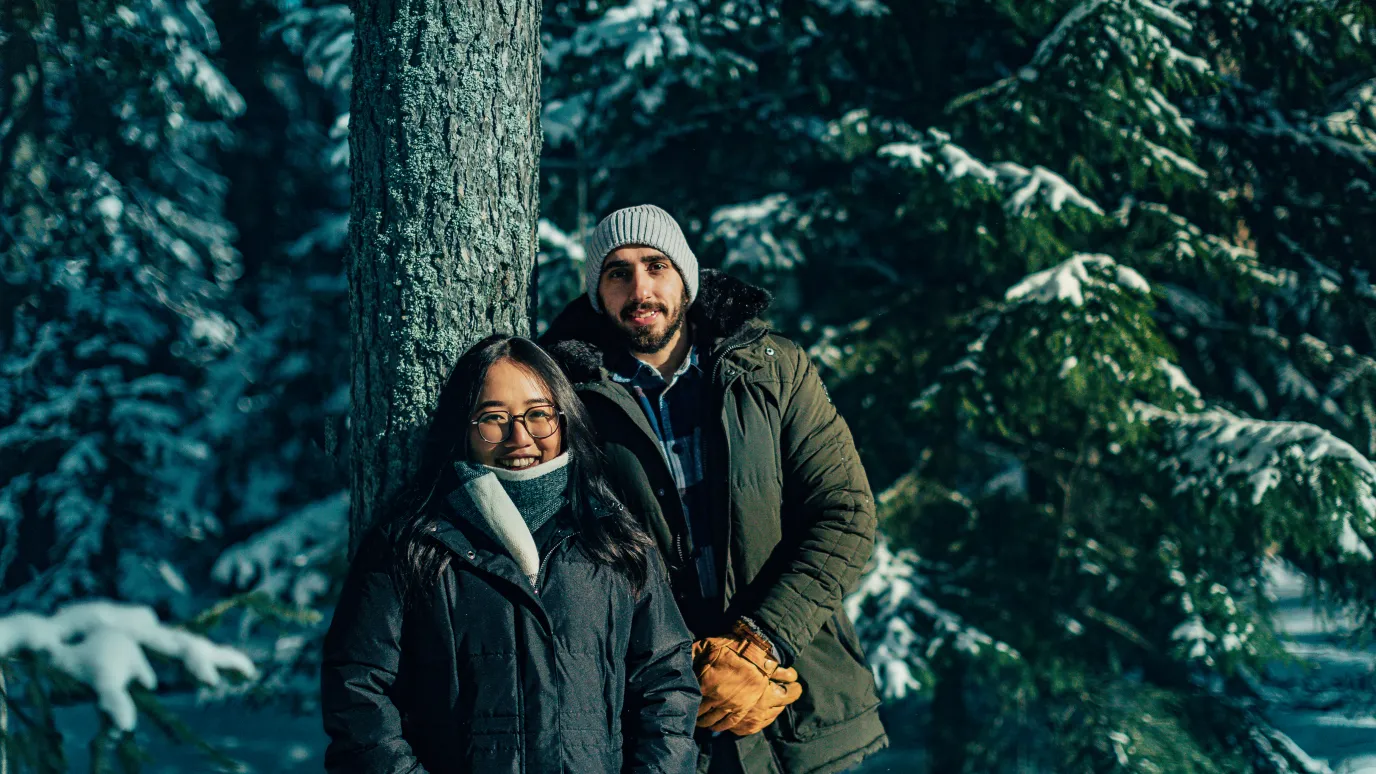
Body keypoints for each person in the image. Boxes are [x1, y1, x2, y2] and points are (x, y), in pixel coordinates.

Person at [542, 205, 887, 773]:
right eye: (618, 273)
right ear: (597, 293)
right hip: (668, 726)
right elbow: (568, 563)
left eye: (656, 266)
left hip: (800, 708)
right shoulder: (567, 402)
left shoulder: (774, 369)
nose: (640, 289)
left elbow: (844, 515)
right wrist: (679, 670)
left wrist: (761, 643)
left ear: (685, 276)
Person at [321, 334, 701, 774]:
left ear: (564, 419)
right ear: (463, 428)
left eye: (538, 414)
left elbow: (667, 684)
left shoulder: (615, 541)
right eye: (493, 418)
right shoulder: (412, 543)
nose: (520, 437)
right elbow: (356, 690)